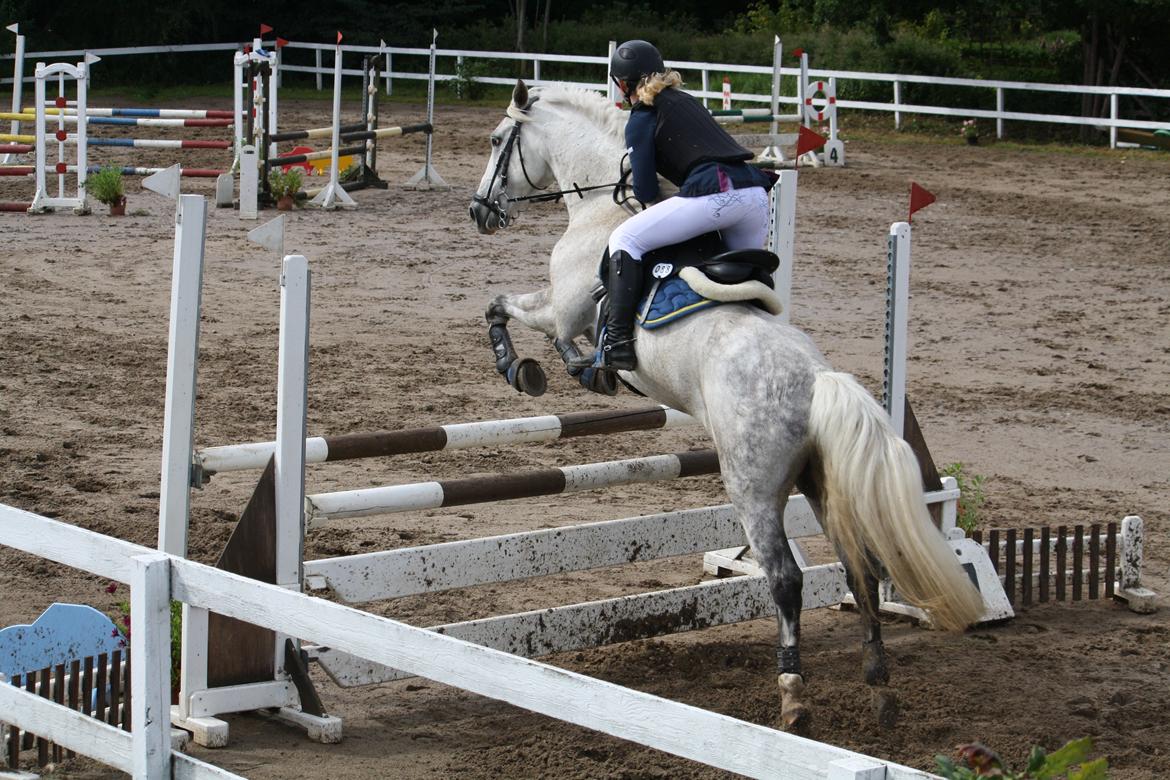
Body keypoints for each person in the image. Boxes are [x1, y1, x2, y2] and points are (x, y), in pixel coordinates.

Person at [569, 39, 776, 372]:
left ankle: (617, 342)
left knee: (626, 239)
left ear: (623, 84)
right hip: (753, 196)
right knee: (742, 280)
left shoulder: (642, 116)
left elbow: (647, 190)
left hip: (715, 195)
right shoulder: (685, 100)